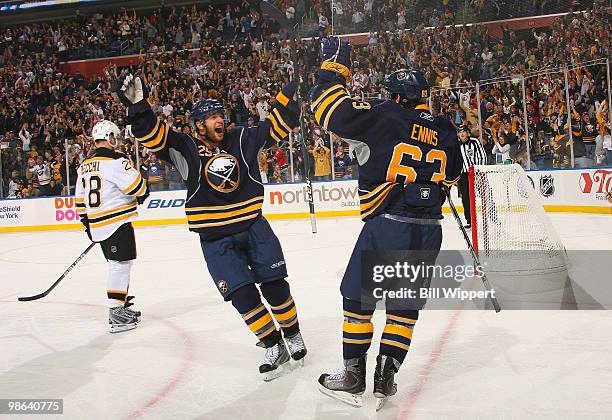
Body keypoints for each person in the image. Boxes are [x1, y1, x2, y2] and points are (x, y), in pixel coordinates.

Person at [116, 73, 307, 381]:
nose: (219, 121)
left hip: (254, 227)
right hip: (215, 238)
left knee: (275, 287)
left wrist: (290, 94)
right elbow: (151, 134)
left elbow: (277, 126)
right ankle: (273, 343)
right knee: (242, 296)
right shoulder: (184, 147)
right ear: (198, 124)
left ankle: (294, 334)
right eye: (212, 117)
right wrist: (139, 106)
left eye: (221, 115)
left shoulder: (242, 138)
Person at [309, 36, 461, 409]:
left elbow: (329, 113)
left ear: (395, 96)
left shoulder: (384, 114)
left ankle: (353, 376)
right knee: (404, 305)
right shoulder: (445, 128)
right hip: (429, 230)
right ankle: (385, 376)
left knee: (357, 298)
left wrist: (334, 68)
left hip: (389, 223)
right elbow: (454, 175)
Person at [75, 120, 150, 333]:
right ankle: (116, 312)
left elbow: (79, 199)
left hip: (98, 223)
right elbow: (136, 187)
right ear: (109, 137)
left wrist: (87, 223)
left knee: (118, 263)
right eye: (113, 137)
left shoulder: (83, 166)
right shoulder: (116, 161)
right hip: (116, 222)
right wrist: (144, 190)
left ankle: (120, 304)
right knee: (120, 265)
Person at [457, 125, 487, 229]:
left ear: (468, 133)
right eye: (460, 132)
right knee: (466, 199)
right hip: (463, 176)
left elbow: (482, 156)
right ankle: (470, 221)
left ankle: (493, 216)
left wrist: (479, 172)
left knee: (486, 195)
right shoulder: (457, 144)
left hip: (476, 173)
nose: (461, 134)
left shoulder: (474, 142)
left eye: (463, 131)